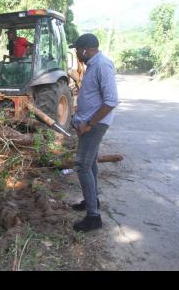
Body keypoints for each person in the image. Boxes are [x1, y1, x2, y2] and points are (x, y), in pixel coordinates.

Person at [69, 33, 119, 233]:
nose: (77, 55)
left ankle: (93, 217)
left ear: (86, 49)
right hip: (90, 122)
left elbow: (111, 101)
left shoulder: (102, 65)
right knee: (90, 163)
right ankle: (92, 201)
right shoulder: (92, 65)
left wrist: (89, 123)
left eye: (78, 51)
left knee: (82, 165)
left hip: (95, 125)